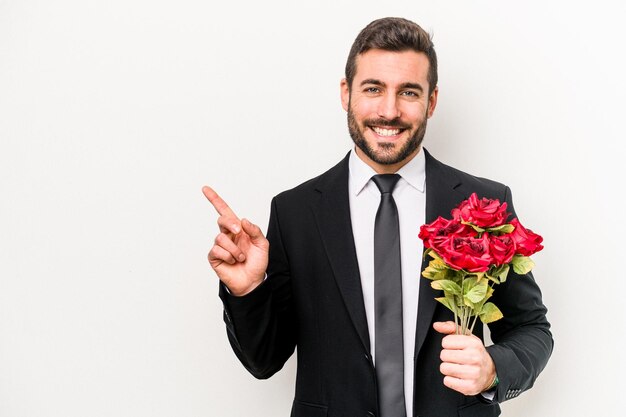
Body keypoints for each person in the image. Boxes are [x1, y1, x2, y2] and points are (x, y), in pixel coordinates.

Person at [204, 17, 552, 417]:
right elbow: (264, 360)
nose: (389, 111)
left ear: (431, 101)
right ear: (346, 92)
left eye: (408, 92)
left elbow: (531, 329)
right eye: (373, 89)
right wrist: (248, 292)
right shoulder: (296, 212)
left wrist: (493, 369)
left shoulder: (484, 204)